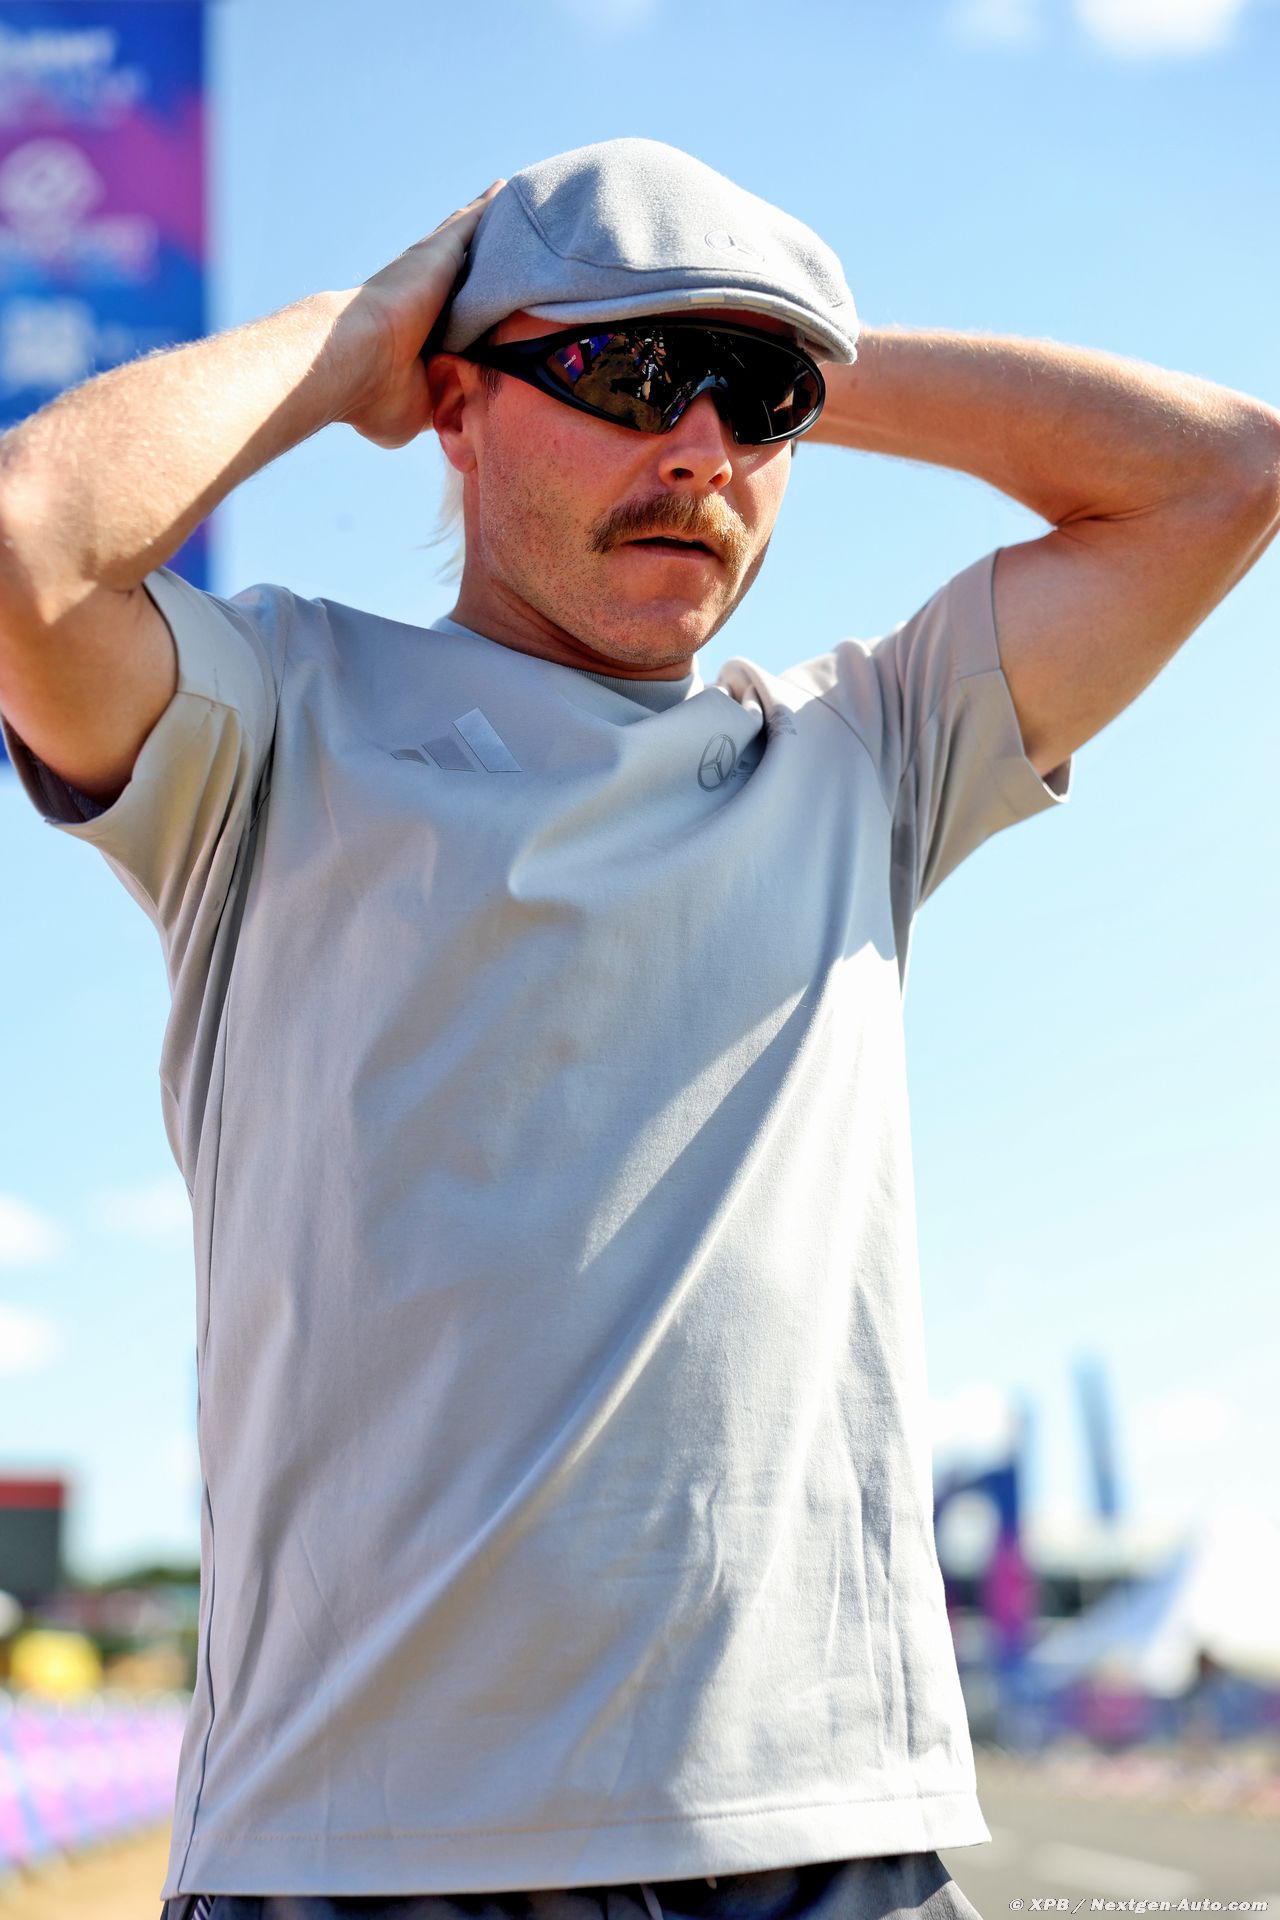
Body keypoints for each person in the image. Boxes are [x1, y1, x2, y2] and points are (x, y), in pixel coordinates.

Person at [0, 136, 1276, 1920]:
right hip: (365, 1852)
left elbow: (1222, 478)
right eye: (622, 372)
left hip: (823, 1837)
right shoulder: (274, 718)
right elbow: (30, 546)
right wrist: (362, 333)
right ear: (455, 404)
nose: (699, 451)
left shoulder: (863, 750)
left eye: (755, 403)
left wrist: (783, 358)